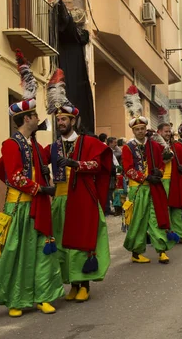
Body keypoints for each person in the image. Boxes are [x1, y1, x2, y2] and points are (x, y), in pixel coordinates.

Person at [0, 49, 64, 318]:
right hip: (20, 208)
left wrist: (60, 147)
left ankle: (44, 295)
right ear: (26, 119)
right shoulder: (10, 144)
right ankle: (16, 299)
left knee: (43, 254)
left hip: (37, 206)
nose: (37, 118)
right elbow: (14, 177)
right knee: (17, 257)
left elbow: (43, 160)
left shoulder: (32, 143)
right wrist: (40, 188)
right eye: (34, 115)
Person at [44, 69, 112, 303]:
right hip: (60, 201)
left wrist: (76, 163)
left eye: (65, 119)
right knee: (64, 246)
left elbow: (98, 165)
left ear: (73, 121)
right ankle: (72, 284)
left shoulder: (87, 142)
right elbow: (35, 161)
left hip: (82, 199)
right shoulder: (52, 147)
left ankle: (84, 284)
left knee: (81, 243)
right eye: (59, 120)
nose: (61, 122)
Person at [121, 86, 176, 264]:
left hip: (153, 187)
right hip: (137, 189)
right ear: (133, 131)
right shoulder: (127, 147)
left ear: (146, 129)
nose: (140, 131)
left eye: (143, 128)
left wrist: (158, 172)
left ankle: (161, 250)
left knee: (156, 217)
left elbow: (162, 162)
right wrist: (145, 177)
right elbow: (128, 169)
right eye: (137, 129)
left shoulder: (154, 145)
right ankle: (136, 252)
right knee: (138, 221)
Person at [158, 121, 182, 243]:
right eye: (166, 131)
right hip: (160, 181)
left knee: (178, 209)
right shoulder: (154, 145)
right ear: (159, 132)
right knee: (162, 211)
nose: (168, 133)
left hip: (174, 181)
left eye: (170, 131)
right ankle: (162, 237)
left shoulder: (175, 146)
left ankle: (181, 235)